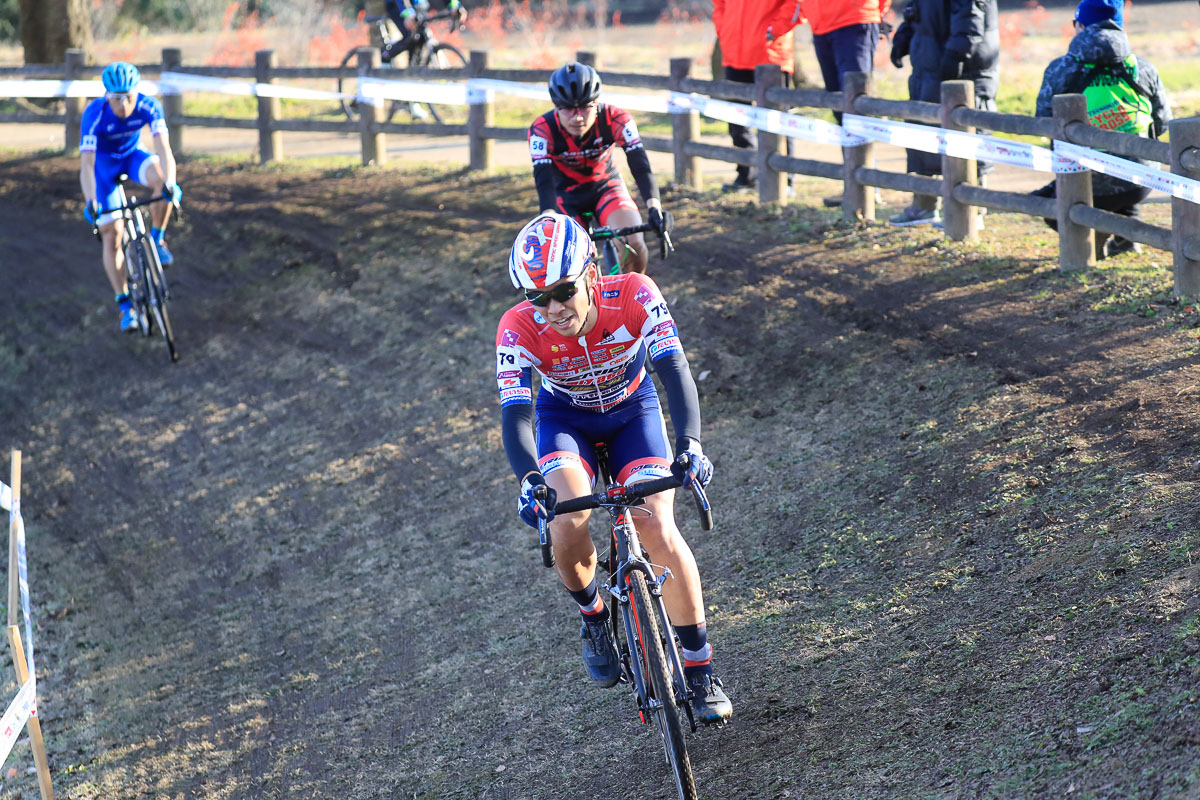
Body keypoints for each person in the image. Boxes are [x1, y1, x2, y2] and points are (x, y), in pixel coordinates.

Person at [496, 212, 732, 724]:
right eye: (539, 298)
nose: (554, 309)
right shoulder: (517, 328)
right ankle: (594, 617)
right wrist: (530, 481)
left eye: (564, 290)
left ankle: (700, 669)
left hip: (633, 411)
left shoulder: (635, 294)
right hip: (566, 420)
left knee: (656, 527)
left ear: (591, 274)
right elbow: (515, 413)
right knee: (565, 519)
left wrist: (689, 443)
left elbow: (673, 370)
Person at [1030, 0, 1170, 258]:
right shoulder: (1143, 67)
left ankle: (1095, 237)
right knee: (1121, 181)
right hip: (1141, 179)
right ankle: (1126, 234)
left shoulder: (1061, 69)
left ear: (1080, 25)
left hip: (1084, 181)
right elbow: (1160, 124)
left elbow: (1044, 122)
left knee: (1045, 204)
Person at [528, 62, 668, 275]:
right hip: (565, 197)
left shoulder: (617, 119)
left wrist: (654, 207)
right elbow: (543, 179)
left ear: (597, 102)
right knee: (570, 264)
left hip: (606, 188)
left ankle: (633, 295)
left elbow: (640, 164)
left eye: (585, 106)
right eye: (567, 109)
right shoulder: (541, 130)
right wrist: (548, 216)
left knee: (634, 243)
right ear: (556, 106)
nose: (577, 117)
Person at [80, 62, 181, 333]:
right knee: (112, 234)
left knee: (161, 183)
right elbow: (87, 166)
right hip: (104, 167)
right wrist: (91, 201)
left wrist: (171, 182)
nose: (124, 104)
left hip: (133, 154)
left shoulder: (149, 106)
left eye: (129, 97)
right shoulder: (94, 114)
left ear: (137, 93)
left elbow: (163, 148)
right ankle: (125, 305)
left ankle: (158, 239)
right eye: (116, 98)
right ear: (106, 95)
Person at [888, 0, 999, 226]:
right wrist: (904, 37)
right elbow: (917, 12)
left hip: (963, 74)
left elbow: (970, 23)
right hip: (929, 68)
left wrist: (954, 59)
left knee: (966, 141)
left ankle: (972, 211)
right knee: (922, 135)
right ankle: (923, 206)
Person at [800, 0, 891, 207]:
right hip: (821, 24)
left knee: (856, 104)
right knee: (840, 108)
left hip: (854, 19)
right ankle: (853, 184)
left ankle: (867, 186)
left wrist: (868, 10)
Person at [711, 0, 804, 191]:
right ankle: (747, 174)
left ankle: (784, 180)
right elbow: (719, 6)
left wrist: (774, 30)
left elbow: (797, 4)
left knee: (778, 119)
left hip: (770, 55)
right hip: (735, 52)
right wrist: (724, 29)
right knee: (737, 120)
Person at [380, 0, 466, 64]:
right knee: (411, 36)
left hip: (420, 5)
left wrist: (455, 6)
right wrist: (407, 13)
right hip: (398, 5)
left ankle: (415, 66)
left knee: (421, 37)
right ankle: (384, 57)